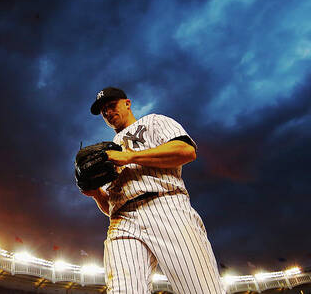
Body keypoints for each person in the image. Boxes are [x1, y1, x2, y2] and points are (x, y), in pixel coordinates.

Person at [82, 87, 225, 294]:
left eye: (111, 106)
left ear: (127, 103)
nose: (108, 112)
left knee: (200, 289)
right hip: (121, 220)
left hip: (165, 206)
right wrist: (95, 193)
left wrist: (130, 157)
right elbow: (109, 205)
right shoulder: (105, 151)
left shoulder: (153, 122)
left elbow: (186, 151)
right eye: (103, 111)